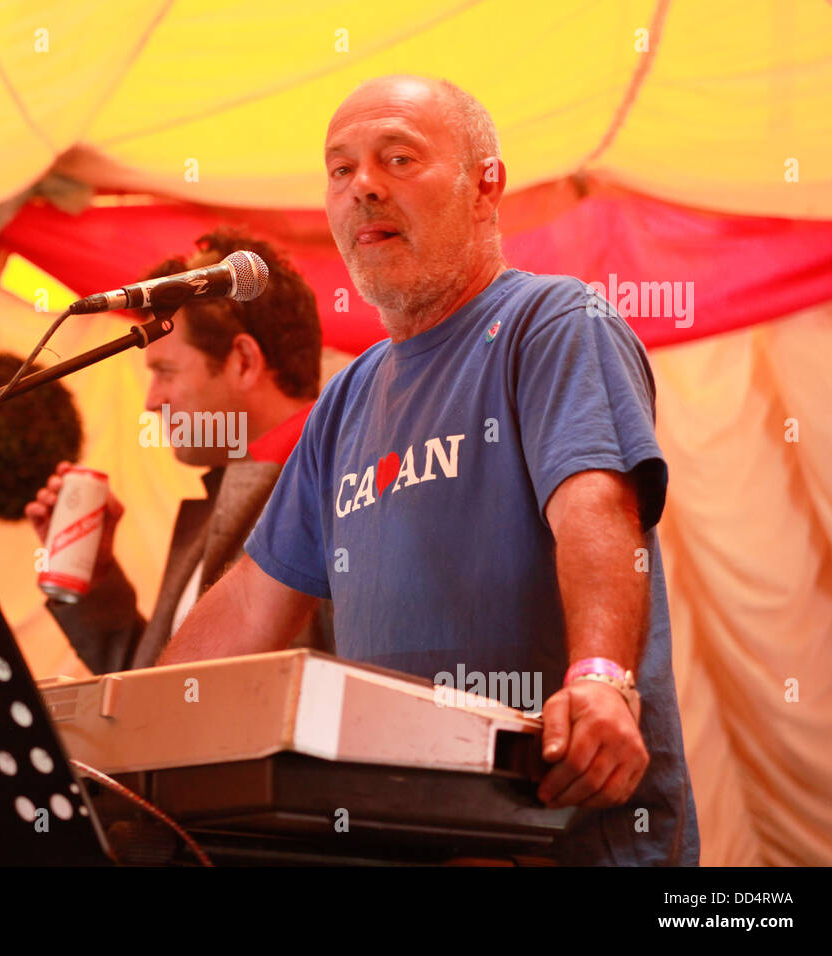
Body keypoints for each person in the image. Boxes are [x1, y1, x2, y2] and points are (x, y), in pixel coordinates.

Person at [158, 76, 700, 866]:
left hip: (566, 839)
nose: (363, 186)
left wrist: (601, 678)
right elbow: (251, 603)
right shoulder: (347, 398)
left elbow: (595, 508)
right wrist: (128, 731)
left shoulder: (554, 323)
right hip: (411, 841)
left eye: (399, 157)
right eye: (340, 171)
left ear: (488, 187)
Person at [25, 230, 334, 674]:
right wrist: (95, 582)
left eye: (165, 372)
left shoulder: (337, 485)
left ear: (243, 361)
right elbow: (155, 692)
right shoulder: (223, 497)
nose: (152, 400)